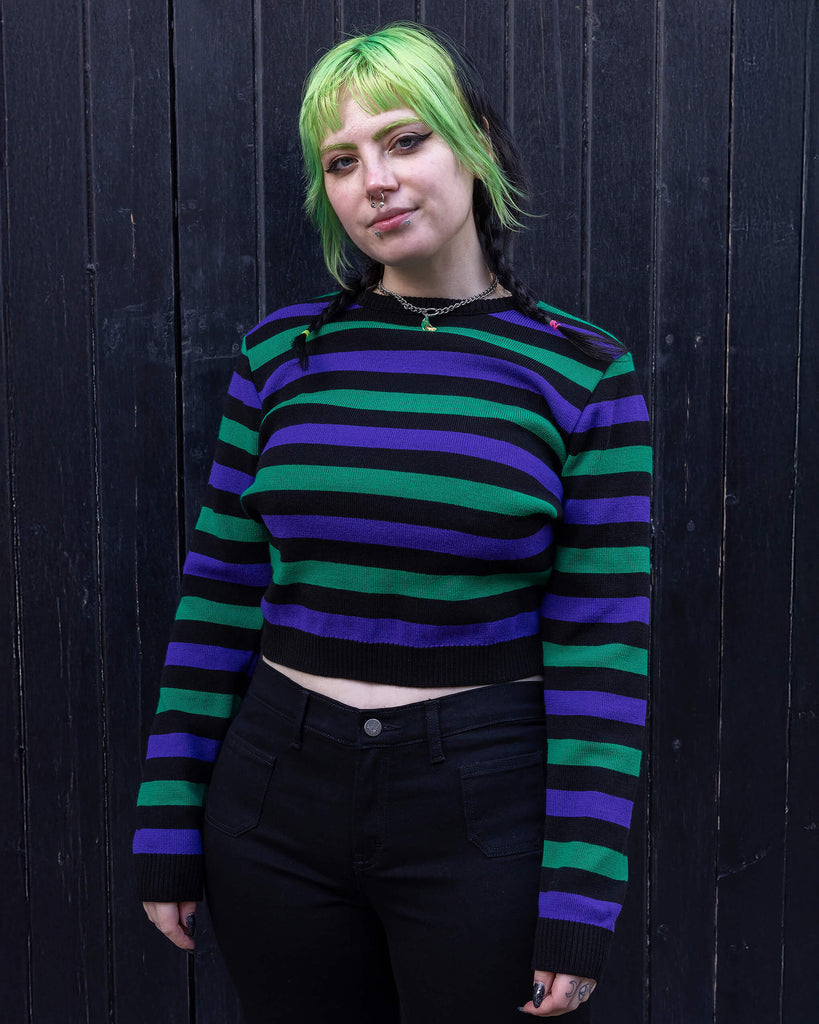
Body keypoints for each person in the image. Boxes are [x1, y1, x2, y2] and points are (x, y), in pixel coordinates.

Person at [134, 22, 651, 1023]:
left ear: (480, 146)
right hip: (272, 799)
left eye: (406, 140)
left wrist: (580, 899)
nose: (375, 178)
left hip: (479, 806)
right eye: (342, 160)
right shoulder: (280, 354)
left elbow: (602, 652)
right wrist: (168, 819)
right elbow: (217, 598)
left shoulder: (582, 370)